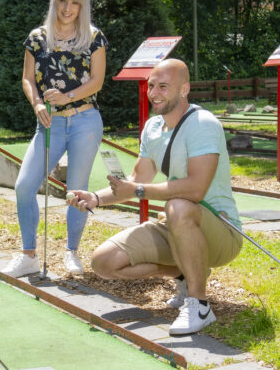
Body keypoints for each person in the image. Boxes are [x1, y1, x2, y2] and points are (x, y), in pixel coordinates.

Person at [65, 58, 242, 335]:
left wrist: (136, 190)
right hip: (178, 226)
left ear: (184, 90)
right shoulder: (152, 128)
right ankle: (184, 273)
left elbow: (195, 189)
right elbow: (135, 181)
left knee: (179, 205)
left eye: (163, 87)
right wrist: (94, 198)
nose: (154, 93)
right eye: (151, 86)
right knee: (104, 262)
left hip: (221, 232)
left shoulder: (203, 124)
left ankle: (199, 305)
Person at [2, 0, 108, 278]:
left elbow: (97, 82)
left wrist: (66, 96)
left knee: (76, 191)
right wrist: (37, 103)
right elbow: (26, 78)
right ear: (55, 1)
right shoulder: (38, 37)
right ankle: (28, 255)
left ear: (82, 5)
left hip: (85, 120)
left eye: (75, 2)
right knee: (24, 186)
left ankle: (71, 251)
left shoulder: (93, 37)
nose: (67, 8)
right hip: (50, 123)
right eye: (63, 0)